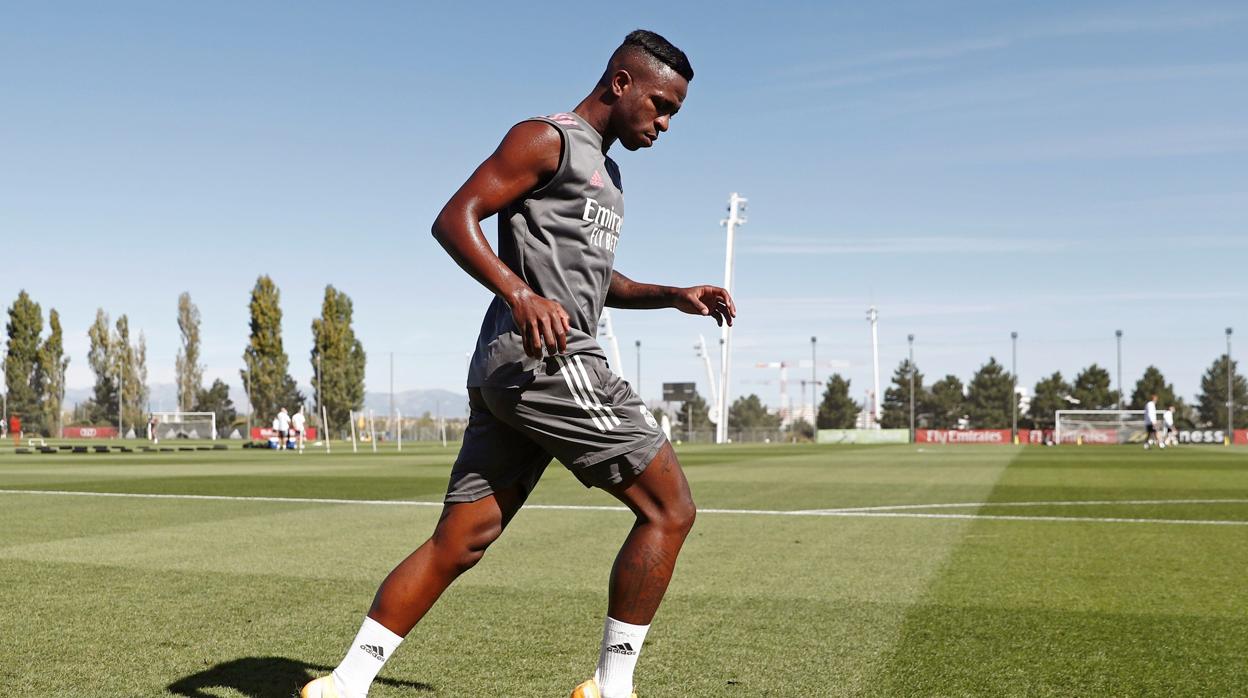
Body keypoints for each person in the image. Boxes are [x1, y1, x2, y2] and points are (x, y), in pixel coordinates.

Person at [301, 30, 732, 698]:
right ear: (621, 84)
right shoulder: (546, 139)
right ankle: (612, 689)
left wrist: (672, 295)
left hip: (512, 370)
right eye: (660, 104)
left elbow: (592, 279)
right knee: (670, 510)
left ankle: (342, 685)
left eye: (675, 111)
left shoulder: (609, 176)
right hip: (548, 361)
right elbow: (455, 218)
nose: (665, 122)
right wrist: (520, 293)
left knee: (461, 539)